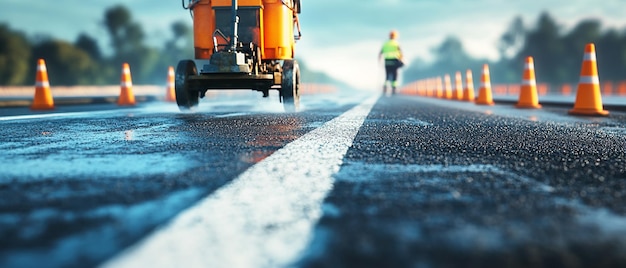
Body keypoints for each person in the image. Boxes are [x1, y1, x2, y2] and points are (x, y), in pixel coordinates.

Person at [379, 30, 404, 95]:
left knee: (387, 75)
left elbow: (380, 53)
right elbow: (401, 53)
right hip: (394, 61)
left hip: (387, 61)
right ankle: (394, 88)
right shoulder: (396, 43)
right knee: (395, 75)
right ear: (395, 36)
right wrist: (401, 60)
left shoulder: (385, 43)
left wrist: (379, 61)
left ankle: (385, 88)